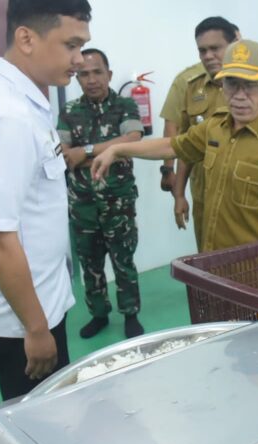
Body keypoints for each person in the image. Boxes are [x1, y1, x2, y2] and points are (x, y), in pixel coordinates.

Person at [0, 0, 91, 400]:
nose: (79, 60)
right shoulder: (6, 116)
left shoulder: (27, 100)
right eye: (70, 45)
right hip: (23, 321)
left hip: (38, 300)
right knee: (39, 426)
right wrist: (35, 328)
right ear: (26, 38)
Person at [93, 40, 258, 253]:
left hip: (256, 274)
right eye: (232, 83)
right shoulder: (216, 126)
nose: (239, 96)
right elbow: (172, 146)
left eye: (251, 85)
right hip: (213, 264)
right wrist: (117, 150)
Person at [161, 18, 258, 250]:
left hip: (249, 198)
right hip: (206, 192)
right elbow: (185, 145)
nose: (209, 55)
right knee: (207, 261)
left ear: (235, 44)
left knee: (252, 266)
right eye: (202, 50)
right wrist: (179, 193)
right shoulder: (190, 84)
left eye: (215, 48)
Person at [57, 48, 145, 339]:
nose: (91, 79)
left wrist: (88, 150)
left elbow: (132, 140)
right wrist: (111, 148)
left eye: (97, 72)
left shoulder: (125, 106)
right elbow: (65, 156)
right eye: (84, 74)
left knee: (123, 260)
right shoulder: (69, 112)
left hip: (117, 201)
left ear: (108, 74)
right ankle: (99, 314)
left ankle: (130, 313)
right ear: (77, 78)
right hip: (82, 204)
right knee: (90, 265)